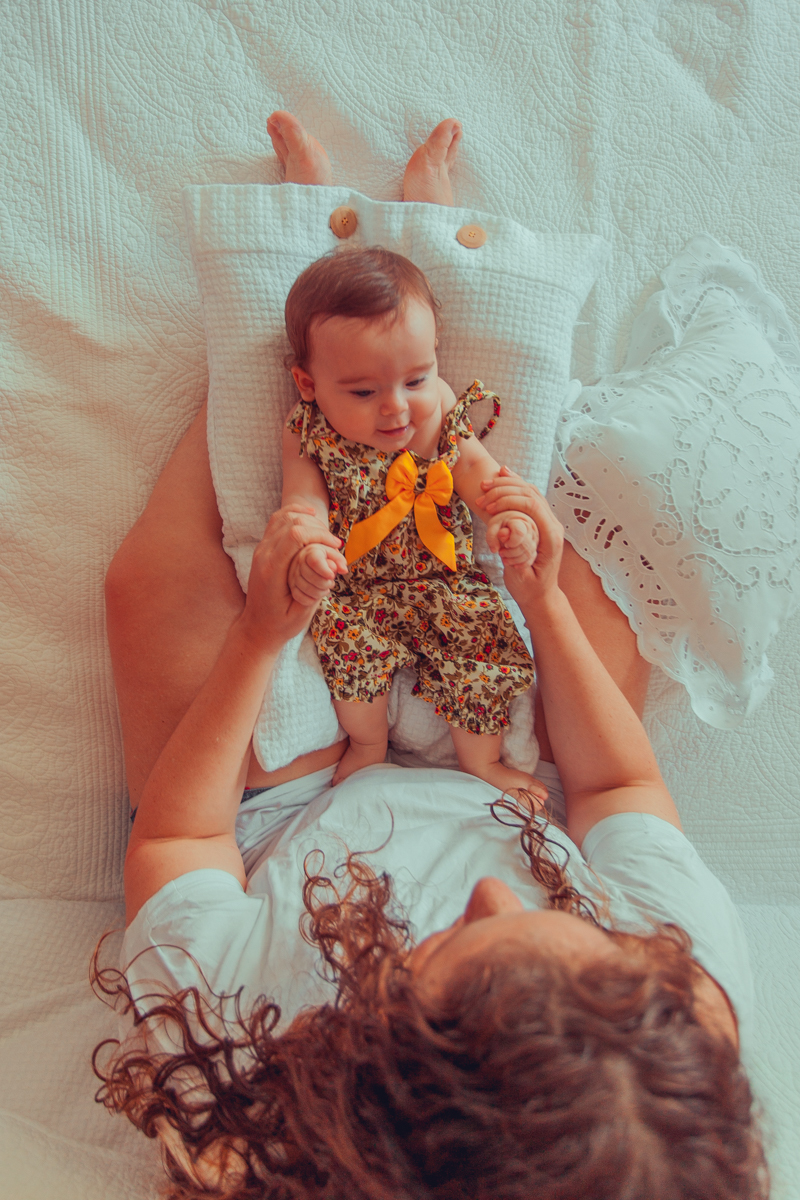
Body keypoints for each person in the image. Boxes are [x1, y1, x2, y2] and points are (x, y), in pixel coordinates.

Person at [95, 114, 766, 1199]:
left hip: (283, 803)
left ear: (344, 1082)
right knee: (579, 561)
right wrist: (538, 599)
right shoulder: (675, 1026)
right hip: (517, 771)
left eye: (441, 955)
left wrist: (264, 634)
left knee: (148, 588)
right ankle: (378, 265)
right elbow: (616, 783)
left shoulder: (233, 1055)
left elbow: (180, 834)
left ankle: (285, 288)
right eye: (562, 930)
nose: (502, 900)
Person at [282, 245, 539, 791]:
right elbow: (303, 504)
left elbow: (475, 471)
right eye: (364, 391)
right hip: (358, 586)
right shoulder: (307, 428)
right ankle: (368, 745)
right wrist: (308, 545)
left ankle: (482, 761)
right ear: (309, 385)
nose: (397, 407)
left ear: (435, 359)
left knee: (480, 643)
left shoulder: (440, 405)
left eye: (416, 380)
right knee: (347, 651)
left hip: (444, 578)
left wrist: (506, 516)